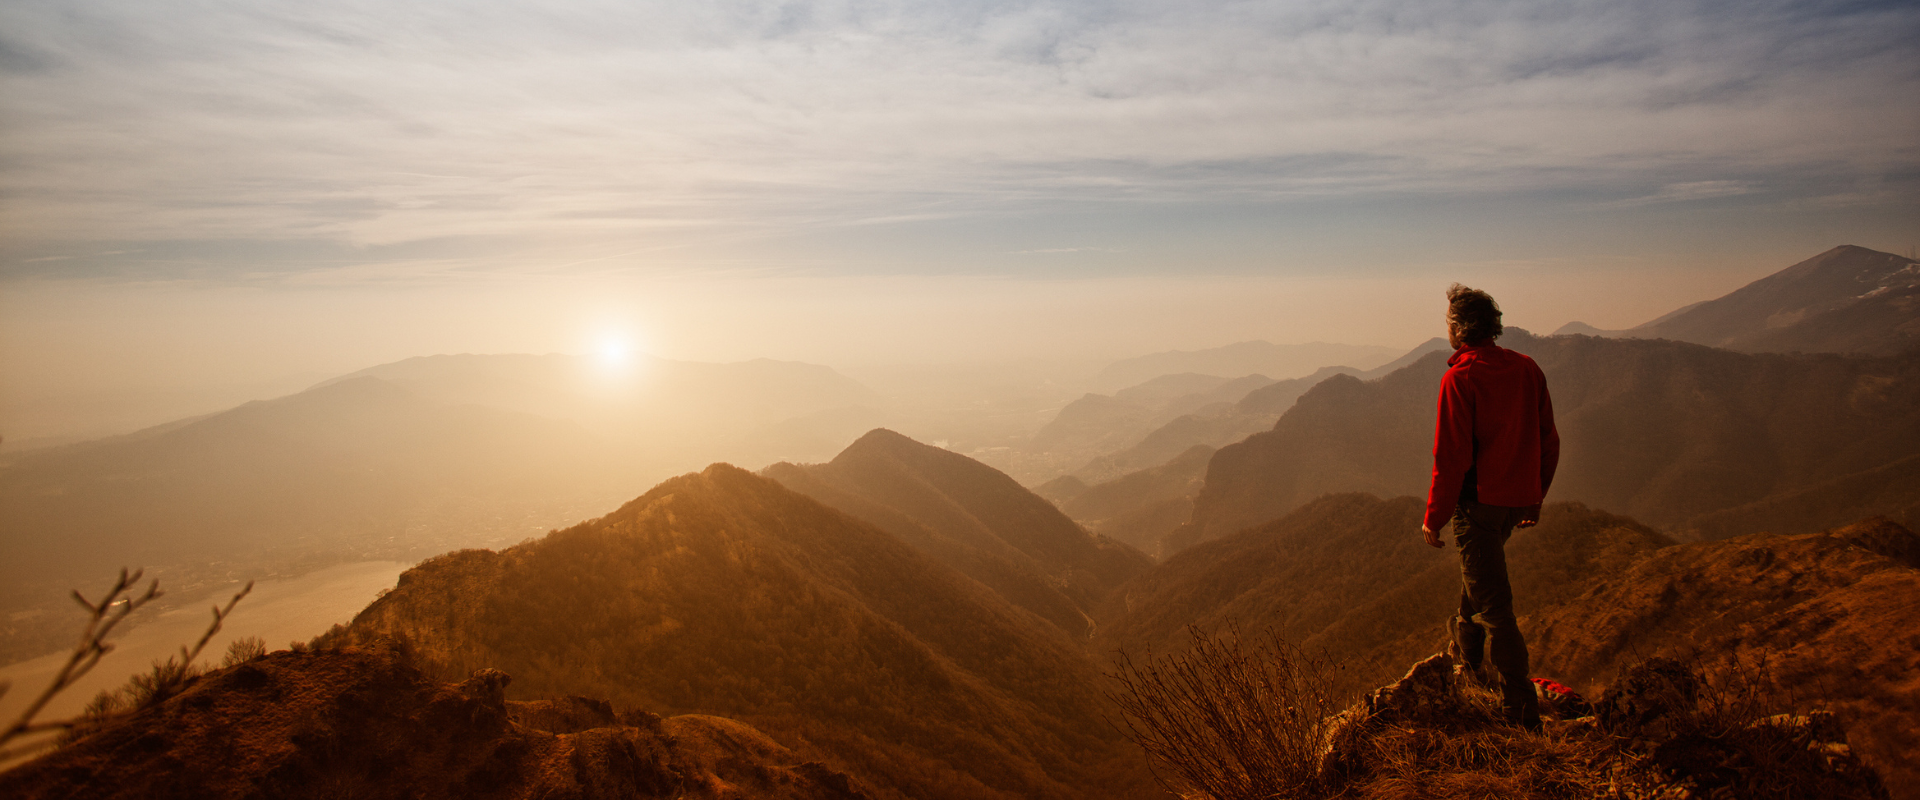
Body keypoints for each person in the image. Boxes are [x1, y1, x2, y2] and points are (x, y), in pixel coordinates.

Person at [1420, 284, 1559, 730]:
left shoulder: (1460, 378)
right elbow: (1547, 440)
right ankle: (1469, 668)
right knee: (1479, 581)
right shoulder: (1526, 368)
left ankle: (1522, 715)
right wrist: (1534, 496)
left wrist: (1434, 518)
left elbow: (1452, 457)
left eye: (1448, 323)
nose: (1447, 330)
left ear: (1460, 328)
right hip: (1513, 502)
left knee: (1497, 610)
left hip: (1477, 505)